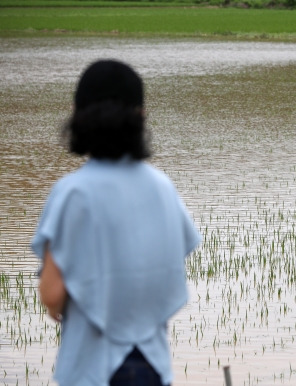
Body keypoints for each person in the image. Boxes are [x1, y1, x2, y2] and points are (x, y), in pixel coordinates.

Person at [31, 59, 202, 386]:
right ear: (141, 117)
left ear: (77, 116)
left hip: (93, 368)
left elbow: (52, 293)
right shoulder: (162, 187)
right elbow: (168, 269)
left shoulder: (73, 192)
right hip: (153, 365)